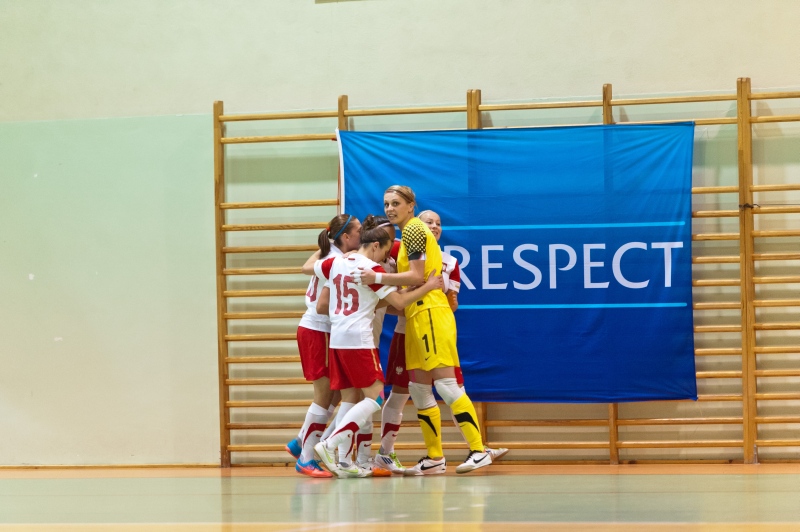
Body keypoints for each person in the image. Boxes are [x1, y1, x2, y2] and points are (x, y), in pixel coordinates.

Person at [356, 186, 497, 475]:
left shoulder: (414, 231)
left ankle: (479, 450)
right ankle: (435, 458)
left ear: (411, 205)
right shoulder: (406, 234)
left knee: (446, 385)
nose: (390, 208)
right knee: (419, 389)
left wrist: (376, 277)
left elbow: (418, 276)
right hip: (415, 314)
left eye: (396, 203)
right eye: (386, 204)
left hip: (431, 312)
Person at [312, 215, 444, 478]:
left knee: (350, 398)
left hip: (337, 339)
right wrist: (428, 285)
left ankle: (345, 462)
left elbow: (312, 269)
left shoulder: (334, 262)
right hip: (359, 340)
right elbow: (399, 302)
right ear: (376, 246)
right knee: (376, 397)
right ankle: (330, 443)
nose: (383, 258)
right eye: (385, 250)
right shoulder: (370, 270)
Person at [288, 214, 361, 478]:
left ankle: (300, 442)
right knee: (323, 395)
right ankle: (306, 458)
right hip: (319, 329)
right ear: (346, 237)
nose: (362, 236)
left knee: (336, 394)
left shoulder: (327, 253)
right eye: (359, 232)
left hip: (318, 330)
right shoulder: (337, 261)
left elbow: (306, 267)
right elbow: (322, 305)